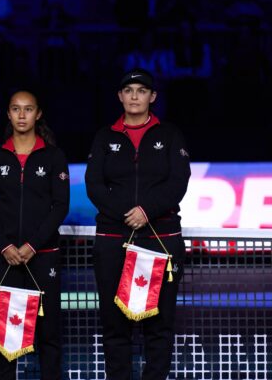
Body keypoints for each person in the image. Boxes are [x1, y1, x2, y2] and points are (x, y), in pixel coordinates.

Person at [85, 68, 190, 380]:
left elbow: (178, 181)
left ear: (152, 97)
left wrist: (147, 211)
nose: (134, 96)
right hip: (113, 239)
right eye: (128, 90)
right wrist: (126, 214)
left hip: (160, 238)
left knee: (159, 327)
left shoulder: (170, 135)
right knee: (115, 325)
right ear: (120, 96)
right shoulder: (104, 136)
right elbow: (94, 185)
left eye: (141, 91)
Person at [0, 90, 69, 380]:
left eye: (28, 109)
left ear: (38, 113)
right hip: (4, 257)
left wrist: (32, 245)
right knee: (6, 336)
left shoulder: (54, 157)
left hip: (43, 257)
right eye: (15, 109)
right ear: (7, 113)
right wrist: (4, 245)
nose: (21, 115)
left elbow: (60, 206)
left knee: (49, 334)